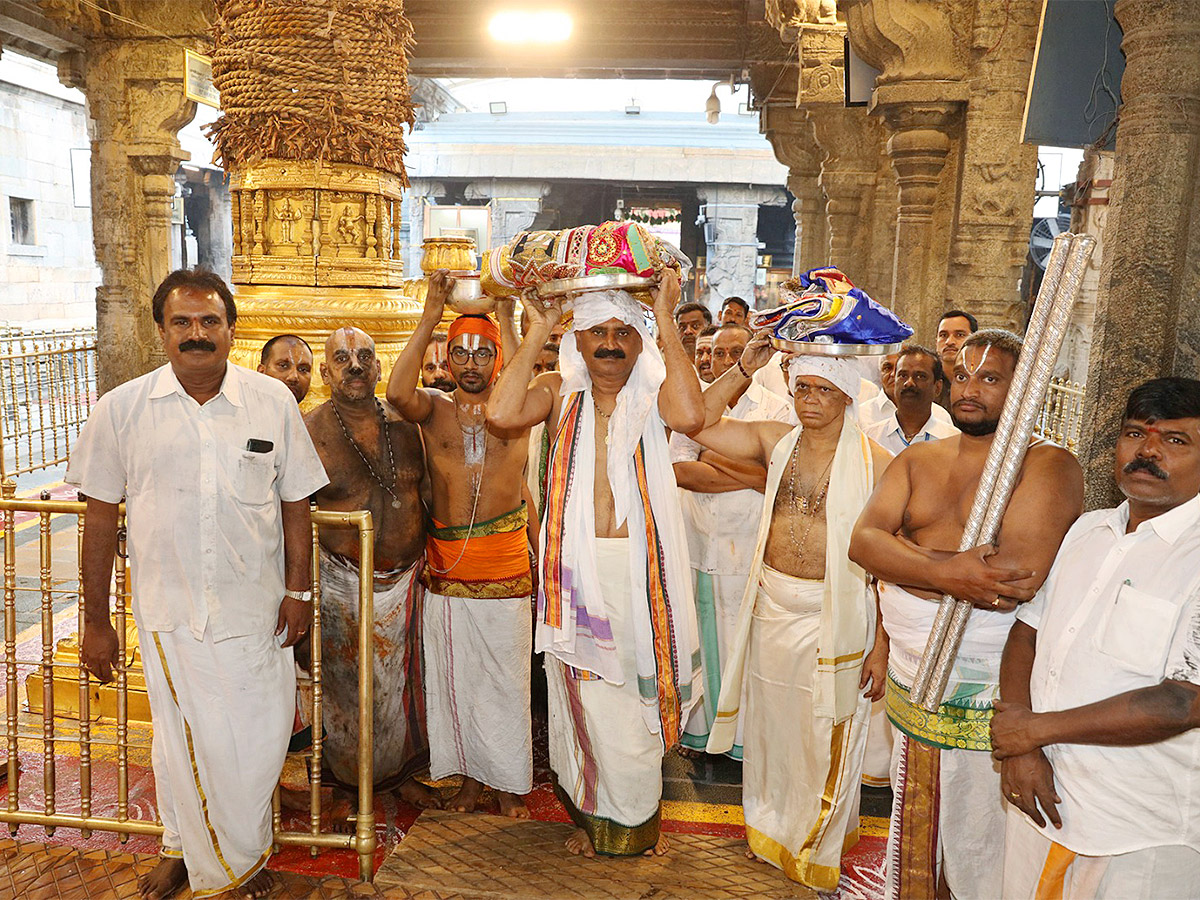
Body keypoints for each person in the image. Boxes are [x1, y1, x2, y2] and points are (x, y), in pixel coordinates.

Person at [71, 268, 328, 900]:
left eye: (209, 322)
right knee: (183, 743)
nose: (196, 334)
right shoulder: (122, 410)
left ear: (231, 331)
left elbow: (297, 501)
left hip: (257, 612)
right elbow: (100, 517)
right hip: (172, 612)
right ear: (161, 331)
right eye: (181, 323)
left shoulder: (272, 403)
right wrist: (96, 620)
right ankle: (209, 862)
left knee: (260, 741)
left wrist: (299, 592)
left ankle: (222, 851)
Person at [849, 328, 1083, 900]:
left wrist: (911, 559)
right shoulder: (919, 458)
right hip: (912, 668)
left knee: (983, 826)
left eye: (991, 378)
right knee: (919, 803)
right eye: (962, 376)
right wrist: (951, 572)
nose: (970, 389)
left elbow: (1013, 579)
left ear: (1024, 387)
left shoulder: (1047, 464)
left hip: (987, 677)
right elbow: (862, 543)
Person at [488, 271, 704, 858]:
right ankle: (598, 824)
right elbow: (503, 414)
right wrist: (536, 330)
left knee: (635, 702)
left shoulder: (654, 396)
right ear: (577, 341)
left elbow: (690, 417)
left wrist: (663, 315)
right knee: (587, 700)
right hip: (576, 576)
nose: (609, 344)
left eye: (621, 333)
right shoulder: (559, 394)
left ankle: (636, 822)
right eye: (596, 333)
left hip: (640, 576)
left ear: (639, 342)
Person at [688, 334, 891, 890]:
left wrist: (883, 642)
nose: (810, 399)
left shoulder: (880, 463)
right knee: (773, 732)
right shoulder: (775, 441)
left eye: (824, 390)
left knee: (823, 732)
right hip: (771, 605)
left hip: (834, 616)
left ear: (848, 396)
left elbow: (889, 563)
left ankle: (813, 844)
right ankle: (769, 830)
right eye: (802, 387)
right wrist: (743, 369)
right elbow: (694, 424)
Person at [995, 377, 1200, 899]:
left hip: (1139, 829)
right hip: (1043, 794)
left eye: (1176, 441)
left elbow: (1182, 702)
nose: (1147, 451)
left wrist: (1032, 731)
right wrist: (1022, 747)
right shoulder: (1088, 530)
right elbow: (1027, 633)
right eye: (1135, 434)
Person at [387, 274, 534, 819]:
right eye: (460, 354)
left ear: (498, 358)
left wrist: (510, 319)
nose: (471, 363)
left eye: (483, 353)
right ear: (447, 360)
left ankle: (509, 785)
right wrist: (429, 316)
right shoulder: (433, 408)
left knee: (505, 679)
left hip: (507, 562)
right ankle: (470, 784)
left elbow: (527, 492)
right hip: (447, 566)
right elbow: (397, 392)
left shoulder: (517, 409)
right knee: (454, 680)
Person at [304, 326, 441, 821]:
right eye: (342, 358)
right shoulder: (309, 430)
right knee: (345, 691)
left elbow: (426, 492)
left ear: (380, 368)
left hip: (407, 580)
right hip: (340, 581)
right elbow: (294, 513)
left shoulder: (408, 426)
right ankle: (348, 786)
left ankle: (399, 779)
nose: (355, 365)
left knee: (404, 688)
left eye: (364, 356)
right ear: (326, 372)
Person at [670, 323, 794, 759]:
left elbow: (777, 480)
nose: (724, 361)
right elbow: (680, 471)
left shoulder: (780, 409)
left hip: (753, 545)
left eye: (735, 352)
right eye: (718, 354)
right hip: (700, 543)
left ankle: (745, 741)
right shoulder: (695, 408)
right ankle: (701, 734)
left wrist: (714, 457)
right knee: (703, 640)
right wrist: (748, 469)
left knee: (751, 646)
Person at [864, 345, 960, 455]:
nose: (909, 383)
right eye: (903, 375)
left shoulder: (954, 441)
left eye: (920, 376)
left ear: (937, 387)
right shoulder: (870, 438)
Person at [934, 309, 977, 410]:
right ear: (936, 342)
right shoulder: (928, 381)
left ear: (975, 340)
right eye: (943, 335)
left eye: (960, 335)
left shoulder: (984, 380)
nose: (949, 342)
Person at [258, 334, 314, 403]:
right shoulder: (243, 412)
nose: (293, 377)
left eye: (303, 369)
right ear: (261, 372)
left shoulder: (320, 413)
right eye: (283, 366)